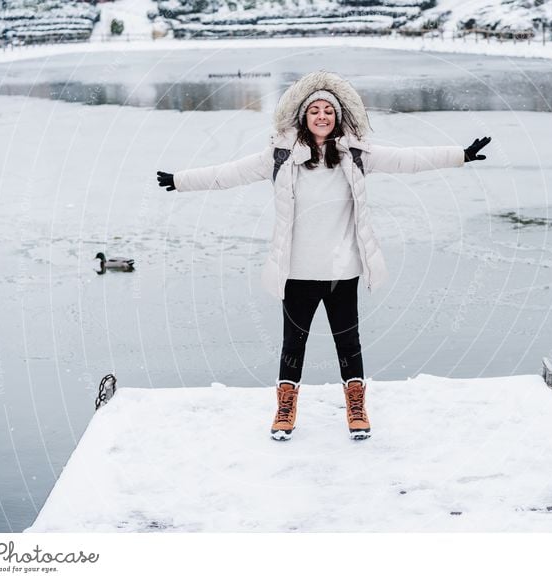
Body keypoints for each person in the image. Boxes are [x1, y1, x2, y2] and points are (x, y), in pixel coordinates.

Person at [156, 70, 491, 442]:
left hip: (341, 270)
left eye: (327, 112)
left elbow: (408, 160)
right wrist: (181, 180)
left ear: (337, 118)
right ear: (303, 117)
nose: (321, 116)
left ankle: (356, 408)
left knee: (349, 343)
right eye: (314, 110)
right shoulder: (280, 156)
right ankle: (285, 409)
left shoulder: (356, 155)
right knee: (292, 344)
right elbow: (227, 174)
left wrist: (460, 155)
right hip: (297, 270)